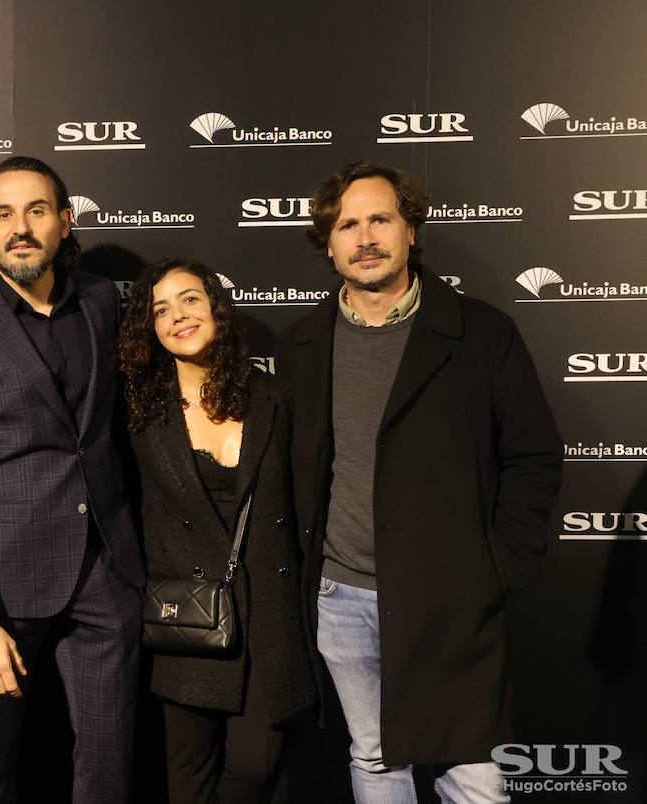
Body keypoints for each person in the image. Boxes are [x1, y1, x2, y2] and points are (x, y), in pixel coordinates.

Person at [276, 161, 562, 804]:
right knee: (375, 758)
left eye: (380, 218)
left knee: (475, 773)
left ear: (411, 230)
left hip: (453, 600)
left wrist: (499, 568)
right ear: (329, 243)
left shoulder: (483, 335)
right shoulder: (303, 346)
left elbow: (533, 457)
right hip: (341, 598)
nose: (365, 236)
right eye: (348, 224)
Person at [0, 156, 145, 804]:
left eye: (37, 210)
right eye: (3, 214)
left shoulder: (106, 301)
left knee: (109, 770)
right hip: (5, 588)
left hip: (108, 573)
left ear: (66, 221)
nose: (21, 228)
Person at [118, 259, 317, 803]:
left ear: (215, 308)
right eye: (160, 309)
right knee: (188, 778)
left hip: (269, 614)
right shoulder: (139, 410)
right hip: (188, 616)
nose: (177, 316)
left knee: (255, 767)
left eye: (189, 299)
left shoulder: (273, 397)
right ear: (150, 329)